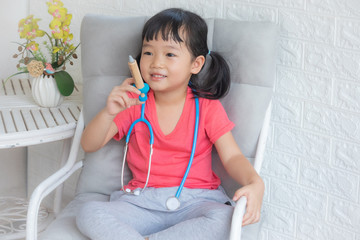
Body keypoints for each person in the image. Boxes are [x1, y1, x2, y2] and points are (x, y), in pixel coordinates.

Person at [76, 8, 264, 240]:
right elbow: (89, 144)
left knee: (227, 218)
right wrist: (108, 112)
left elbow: (233, 157)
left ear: (196, 64)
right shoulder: (133, 103)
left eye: (170, 54)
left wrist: (255, 183)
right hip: (142, 202)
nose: (156, 63)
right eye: (148, 52)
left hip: (196, 202)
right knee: (88, 212)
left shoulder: (206, 107)